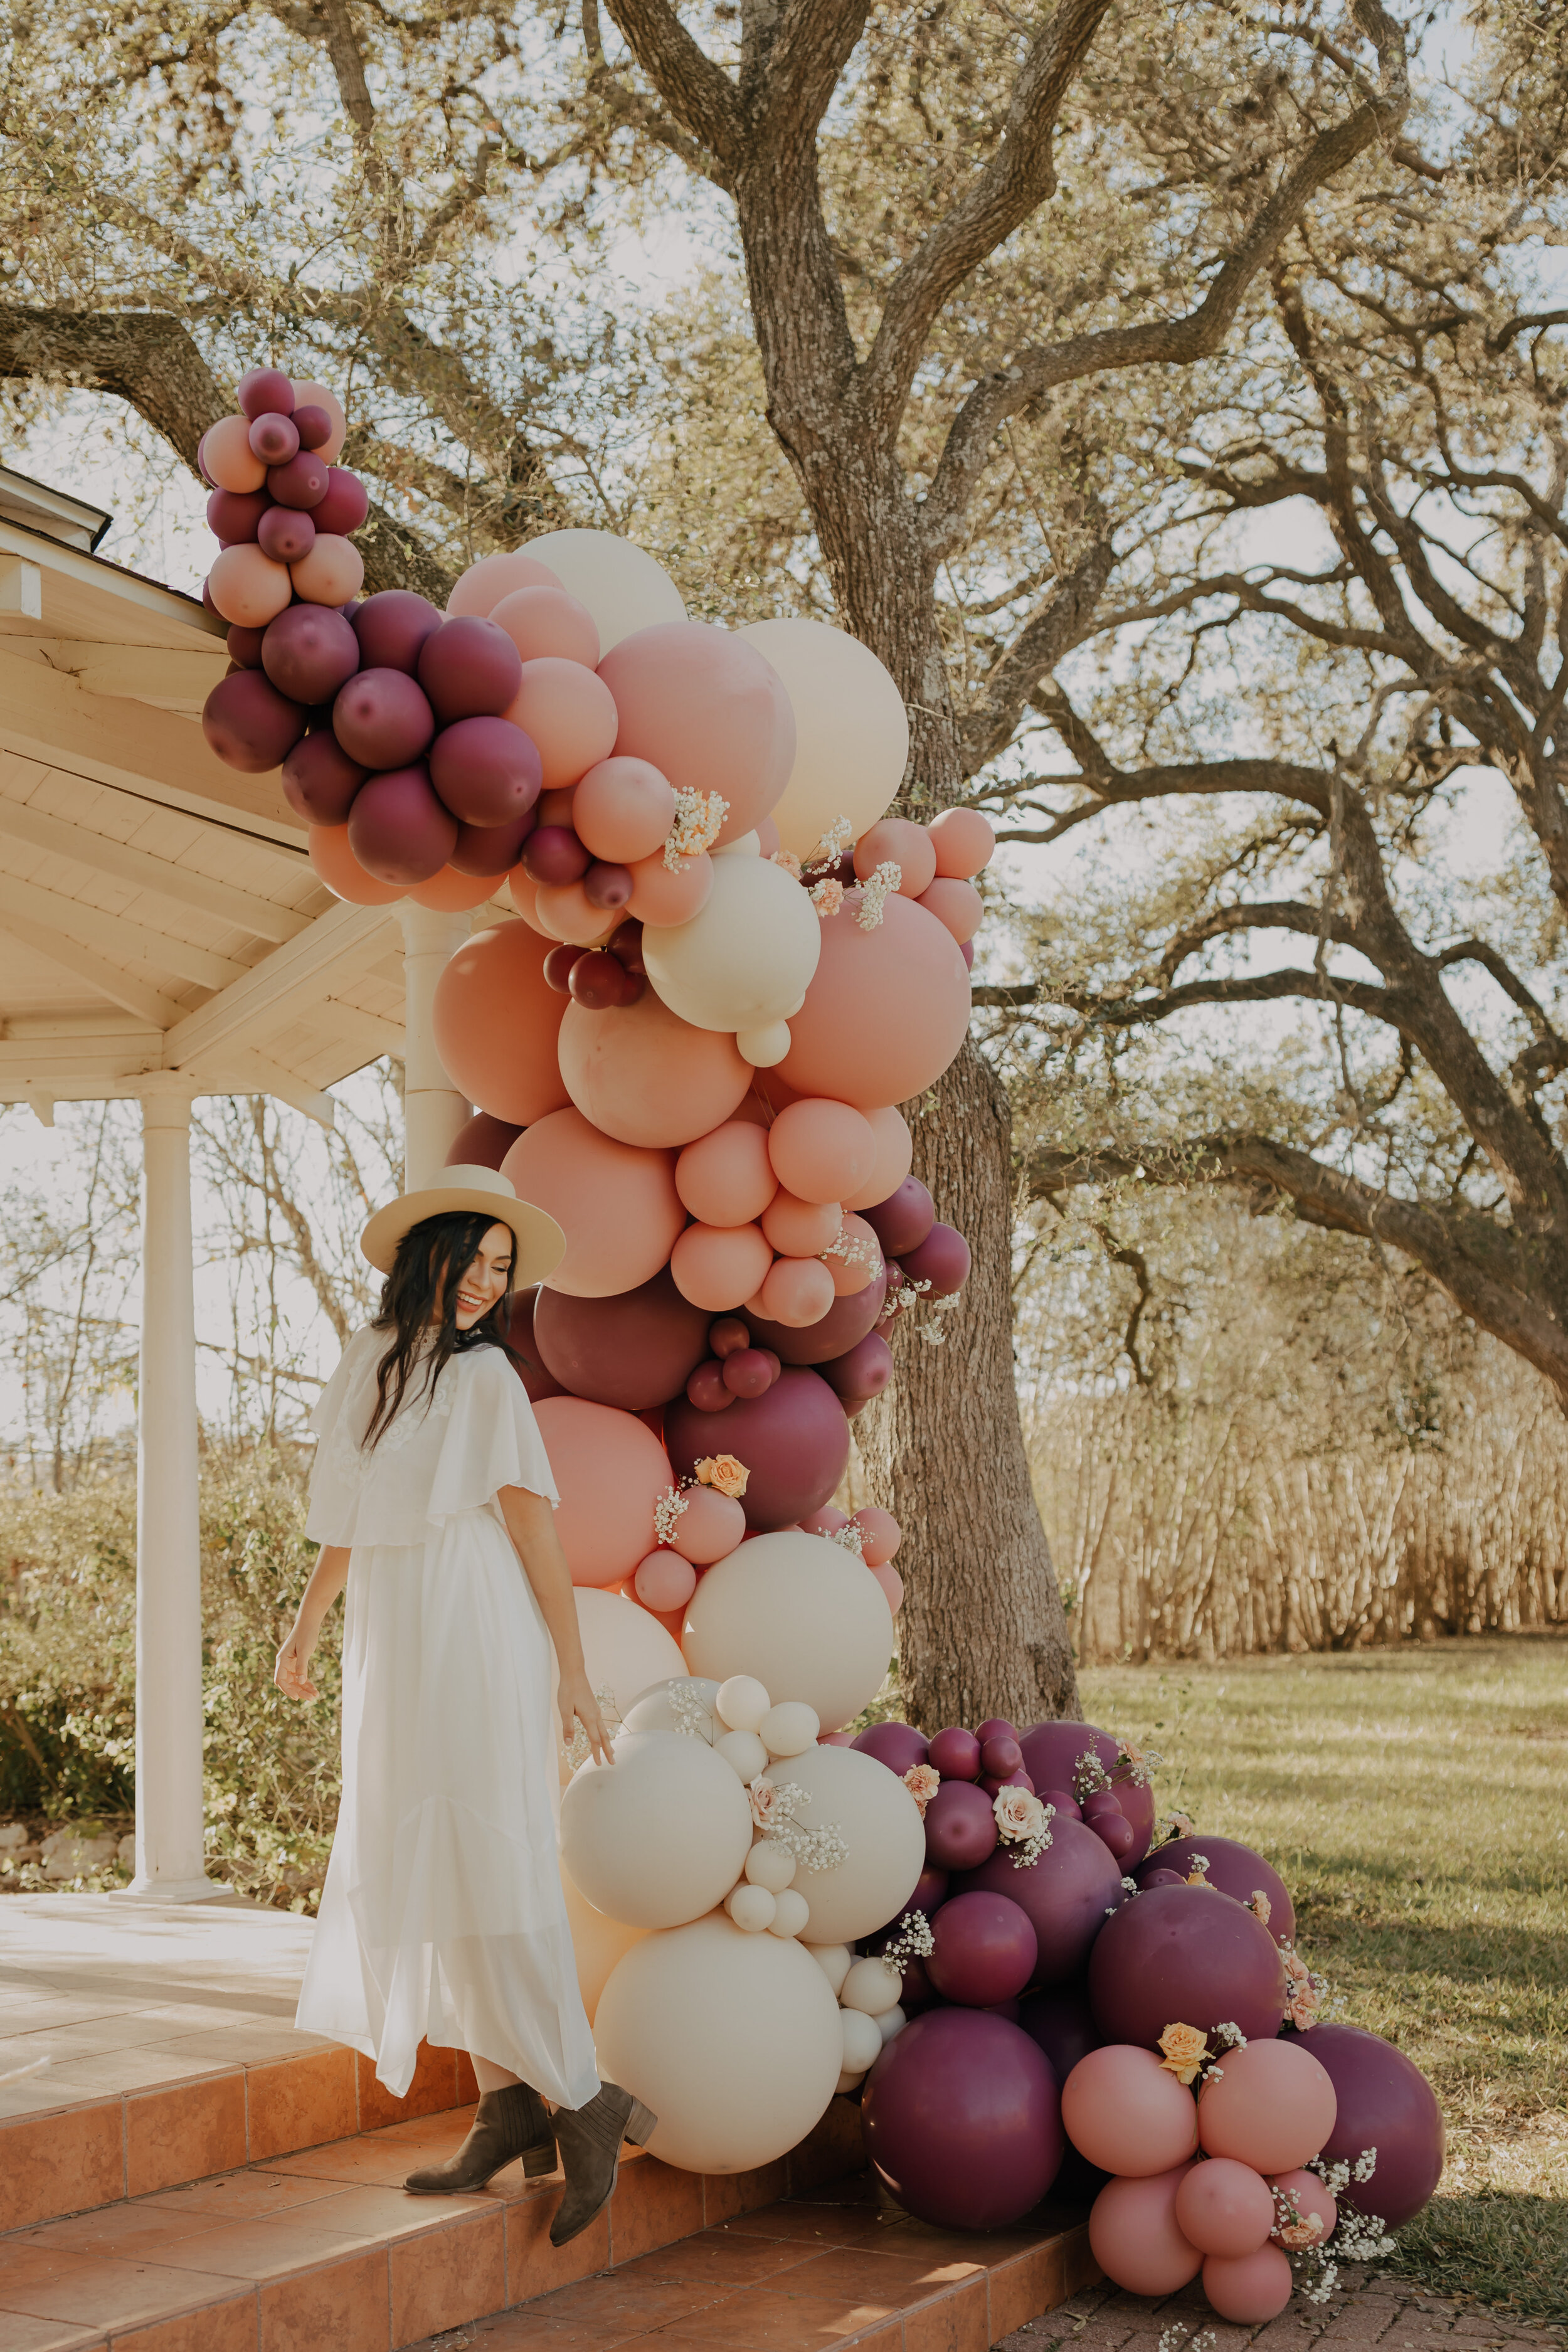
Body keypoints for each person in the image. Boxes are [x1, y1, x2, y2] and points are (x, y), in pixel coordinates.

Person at [273, 1161, 655, 2245]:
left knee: (491, 1849)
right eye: (475, 1260)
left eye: (504, 1268)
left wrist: (572, 1670)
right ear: (425, 1255)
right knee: (422, 1853)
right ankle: (506, 2104)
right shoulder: (372, 1362)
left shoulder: (489, 1381)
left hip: (478, 1623)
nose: (490, 1283)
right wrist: (305, 1627)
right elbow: (352, 1515)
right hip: (392, 1628)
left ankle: (584, 2101)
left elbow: (536, 1529)